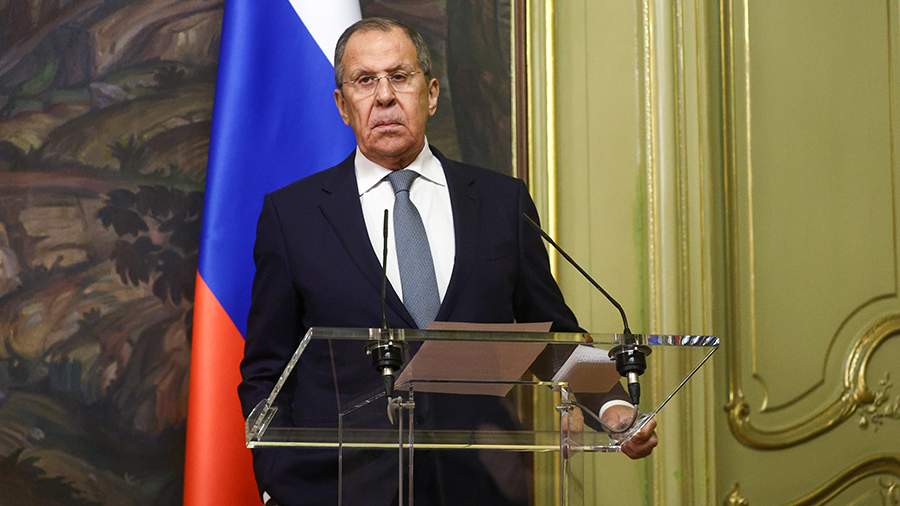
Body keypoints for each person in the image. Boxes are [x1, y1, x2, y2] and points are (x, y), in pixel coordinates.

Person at [238, 17, 658, 506]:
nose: (384, 96)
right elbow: (269, 368)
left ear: (432, 94)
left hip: (478, 484)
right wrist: (276, 480)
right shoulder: (294, 216)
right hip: (339, 490)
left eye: (400, 76)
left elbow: (553, 339)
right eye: (365, 80)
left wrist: (610, 404)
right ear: (342, 105)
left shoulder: (501, 203)